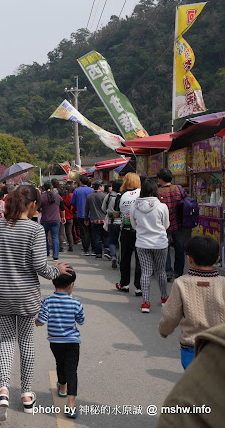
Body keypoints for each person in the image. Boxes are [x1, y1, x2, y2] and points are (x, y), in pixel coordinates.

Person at [0, 185, 73, 422]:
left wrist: (1, 257)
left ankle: (3, 391)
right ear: (32, 205)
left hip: (3, 295)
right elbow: (41, 266)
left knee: (7, 341)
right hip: (28, 296)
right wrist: (57, 270)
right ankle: (27, 395)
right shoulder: (34, 230)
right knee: (27, 341)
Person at [158, 235, 225, 369]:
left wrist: (164, 330)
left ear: (189, 259)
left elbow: (171, 315)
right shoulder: (223, 283)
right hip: (220, 346)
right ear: (217, 259)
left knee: (196, 385)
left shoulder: (181, 283)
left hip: (191, 347)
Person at [154, 323, 225, 428]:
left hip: (193, 343)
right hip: (215, 342)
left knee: (193, 394)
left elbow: (171, 313)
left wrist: (164, 329)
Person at [36, 270, 85, 419]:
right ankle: (71, 404)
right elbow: (81, 321)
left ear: (53, 282)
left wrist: (36, 321)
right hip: (72, 342)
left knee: (60, 363)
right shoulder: (76, 302)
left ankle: (62, 387)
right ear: (71, 285)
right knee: (72, 369)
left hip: (55, 342)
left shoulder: (47, 301)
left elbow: (40, 321)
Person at [130, 179, 169, 313]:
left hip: (142, 243)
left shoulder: (134, 206)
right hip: (160, 243)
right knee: (161, 271)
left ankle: (145, 303)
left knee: (145, 272)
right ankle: (164, 298)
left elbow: (134, 225)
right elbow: (166, 225)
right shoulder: (162, 206)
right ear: (155, 190)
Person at [157, 168, 188, 281]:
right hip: (178, 223)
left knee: (165, 247)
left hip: (163, 225)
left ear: (160, 179)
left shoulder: (158, 192)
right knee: (180, 247)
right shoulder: (179, 189)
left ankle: (168, 271)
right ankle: (179, 272)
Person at [114, 173, 143, 295]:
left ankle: (124, 284)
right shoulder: (142, 194)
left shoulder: (120, 195)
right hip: (141, 231)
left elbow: (116, 214)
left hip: (125, 230)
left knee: (124, 258)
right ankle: (139, 287)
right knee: (140, 259)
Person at [40, 182, 65, 261]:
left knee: (44, 237)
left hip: (45, 220)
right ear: (51, 188)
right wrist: (63, 217)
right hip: (56, 219)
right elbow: (62, 208)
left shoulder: (42, 197)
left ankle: (46, 252)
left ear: (44, 188)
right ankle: (55, 255)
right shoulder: (58, 197)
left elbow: (38, 208)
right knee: (55, 237)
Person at [84, 180, 108, 259]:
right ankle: (107, 250)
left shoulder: (89, 196)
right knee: (106, 236)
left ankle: (98, 253)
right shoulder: (105, 196)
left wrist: (86, 218)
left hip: (94, 220)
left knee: (96, 237)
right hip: (104, 220)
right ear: (100, 187)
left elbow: (86, 209)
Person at [71, 176, 93, 255]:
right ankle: (92, 248)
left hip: (80, 213)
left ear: (80, 182)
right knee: (91, 231)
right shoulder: (92, 190)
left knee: (83, 232)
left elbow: (72, 202)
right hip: (91, 214)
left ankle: (86, 249)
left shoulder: (77, 191)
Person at [103, 180, 122, 269]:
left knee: (112, 241)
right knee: (121, 242)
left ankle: (113, 256)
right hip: (122, 221)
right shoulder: (123, 196)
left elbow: (103, 208)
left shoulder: (109, 195)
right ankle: (120, 258)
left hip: (112, 221)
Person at [60, 185, 74, 252]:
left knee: (61, 233)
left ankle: (61, 247)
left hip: (62, 216)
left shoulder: (60, 198)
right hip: (70, 216)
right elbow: (73, 206)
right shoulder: (70, 197)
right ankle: (71, 246)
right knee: (69, 232)